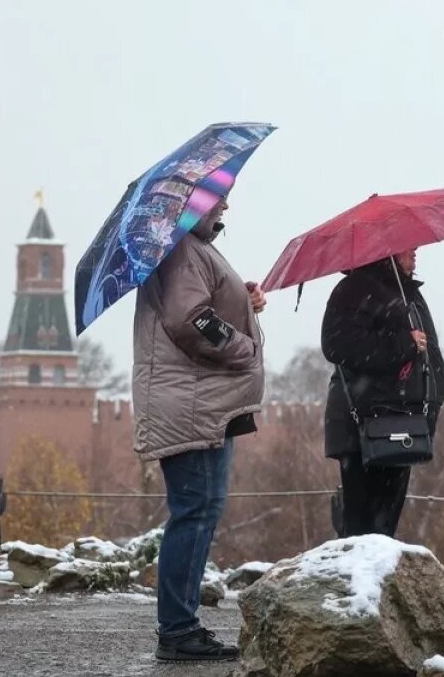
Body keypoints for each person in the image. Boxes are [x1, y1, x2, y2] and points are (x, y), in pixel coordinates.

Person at [132, 197, 266, 663]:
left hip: (200, 402)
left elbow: (200, 310)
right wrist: (245, 347)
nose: (228, 202)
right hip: (193, 404)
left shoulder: (188, 248)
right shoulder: (183, 249)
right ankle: (179, 630)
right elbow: (191, 320)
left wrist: (243, 304)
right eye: (218, 195)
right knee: (195, 511)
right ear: (197, 203)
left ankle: (181, 626)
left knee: (198, 511)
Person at [320, 248, 444, 538]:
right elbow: (337, 345)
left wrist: (440, 387)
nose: (415, 250)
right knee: (361, 531)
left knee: (384, 530)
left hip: (402, 425)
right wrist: (402, 344)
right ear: (387, 251)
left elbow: (428, 353)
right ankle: (354, 582)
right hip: (365, 427)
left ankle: (376, 582)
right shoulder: (353, 290)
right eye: (408, 246)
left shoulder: (408, 294)